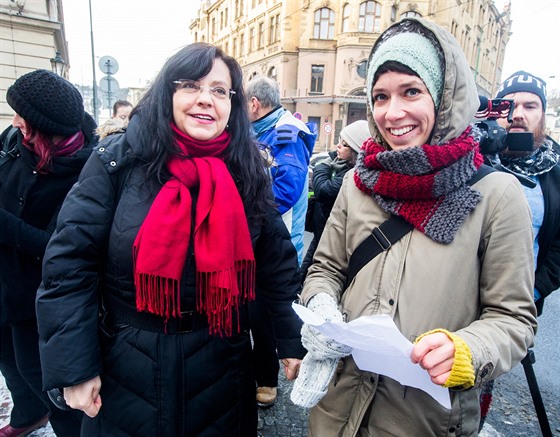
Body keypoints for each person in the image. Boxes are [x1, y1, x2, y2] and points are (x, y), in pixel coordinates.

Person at [35, 43, 305, 436]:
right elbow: (68, 265)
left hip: (222, 370)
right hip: (126, 367)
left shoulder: (247, 167)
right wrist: (75, 367)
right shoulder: (118, 160)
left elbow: (276, 264)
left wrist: (290, 338)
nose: (205, 100)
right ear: (167, 93)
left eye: (219, 90)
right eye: (191, 85)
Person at [290, 18, 537, 436]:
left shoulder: (497, 194)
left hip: (424, 421)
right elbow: (325, 269)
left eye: (411, 91)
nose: (393, 112)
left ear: (443, 97)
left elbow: (513, 319)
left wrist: (466, 352)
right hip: (338, 411)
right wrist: (321, 309)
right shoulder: (357, 181)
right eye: (380, 96)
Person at [0, 69, 96, 437]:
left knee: (39, 375)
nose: (14, 122)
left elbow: (54, 246)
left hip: (37, 294)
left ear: (42, 128)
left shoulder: (83, 170)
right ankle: (28, 415)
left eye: (21, 116)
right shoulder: (15, 138)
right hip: (5, 280)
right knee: (7, 360)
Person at [478, 70, 560, 429]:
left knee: (484, 374)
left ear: (543, 115)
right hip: (457, 291)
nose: (519, 113)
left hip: (517, 301)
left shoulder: (555, 171)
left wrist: (533, 290)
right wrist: (480, 145)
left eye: (531, 105)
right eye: (509, 105)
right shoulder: (473, 154)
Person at [244, 76, 316, 407]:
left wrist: (239, 208)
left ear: (255, 104)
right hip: (251, 237)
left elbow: (286, 190)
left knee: (263, 312)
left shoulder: (287, 130)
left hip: (277, 239)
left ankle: (266, 380)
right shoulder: (253, 130)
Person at [301, 120, 370, 278]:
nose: (338, 146)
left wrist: (322, 166)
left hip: (331, 237)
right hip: (322, 232)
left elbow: (323, 190)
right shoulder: (342, 166)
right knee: (303, 275)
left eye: (344, 144)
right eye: (339, 141)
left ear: (355, 150)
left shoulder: (352, 173)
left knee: (313, 274)